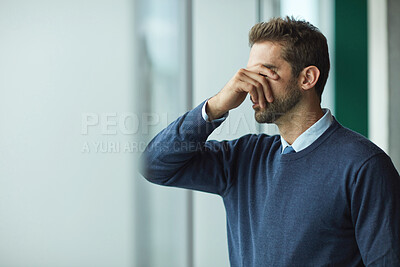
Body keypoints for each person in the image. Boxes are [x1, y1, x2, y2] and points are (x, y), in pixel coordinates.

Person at [140, 17, 400, 266]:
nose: (251, 86)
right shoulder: (243, 157)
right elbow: (154, 164)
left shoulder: (364, 166)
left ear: (307, 78)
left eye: (266, 72)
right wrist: (216, 105)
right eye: (248, 74)